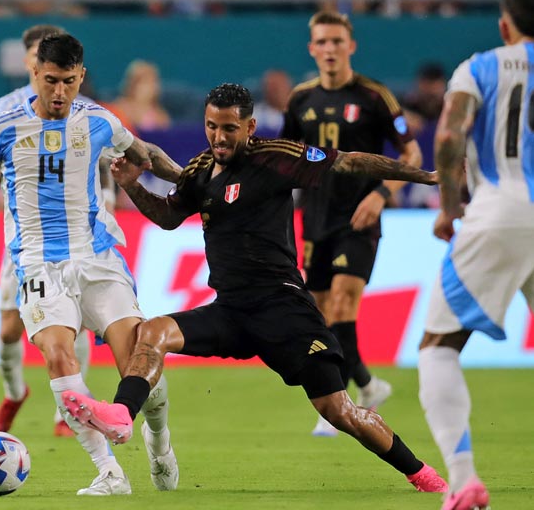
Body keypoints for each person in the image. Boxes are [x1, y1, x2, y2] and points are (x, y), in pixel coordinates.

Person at [62, 83, 447, 495]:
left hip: (284, 309)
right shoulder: (201, 170)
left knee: (339, 411)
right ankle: (122, 414)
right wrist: (132, 185)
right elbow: (170, 217)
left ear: (249, 127)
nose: (219, 137)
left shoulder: (277, 157)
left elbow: (350, 162)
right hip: (230, 311)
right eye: (212, 126)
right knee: (152, 332)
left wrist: (425, 176)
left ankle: (422, 474)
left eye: (229, 128)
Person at [0, 33, 182, 496]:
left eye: (69, 82)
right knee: (59, 358)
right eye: (51, 80)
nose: (59, 92)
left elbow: (146, 155)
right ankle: (109, 472)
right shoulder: (1, 129)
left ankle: (160, 445)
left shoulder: (98, 121)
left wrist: (198, 182)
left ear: (81, 77)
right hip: (38, 266)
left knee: (138, 365)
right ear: (33, 72)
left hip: (97, 259)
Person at [281, 11, 423, 437]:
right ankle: (367, 383)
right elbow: (285, 158)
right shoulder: (300, 99)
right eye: (322, 42)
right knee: (324, 315)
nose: (330, 49)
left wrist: (381, 195)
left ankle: (338, 405)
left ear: (351, 46)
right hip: (316, 217)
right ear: (312, 48)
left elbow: (411, 154)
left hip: (360, 217)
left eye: (337, 41)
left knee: (344, 303)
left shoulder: (374, 97)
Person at [417, 0, 534, 509]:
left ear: (505, 24)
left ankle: (464, 480)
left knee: (438, 346)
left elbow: (448, 135)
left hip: (501, 213)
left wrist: (449, 208)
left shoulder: (480, 68)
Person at [0, 24, 95, 438]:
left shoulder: (84, 110)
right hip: (23, 238)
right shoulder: (6, 108)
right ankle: (14, 393)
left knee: (73, 323)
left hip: (71, 239)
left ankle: (67, 412)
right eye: (36, 56)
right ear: (30, 63)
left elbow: (100, 167)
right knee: (9, 330)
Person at [108, 60, 171, 132]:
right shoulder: (119, 108)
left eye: (154, 82)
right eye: (146, 82)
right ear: (134, 84)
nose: (152, 87)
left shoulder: (160, 114)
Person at [253, 69, 292, 134]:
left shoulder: (301, 113)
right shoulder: (255, 117)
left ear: (288, 88)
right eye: (272, 88)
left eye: (279, 87)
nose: (276, 93)